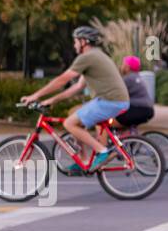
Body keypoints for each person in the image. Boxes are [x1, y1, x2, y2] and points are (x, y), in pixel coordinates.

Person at [21, 26, 129, 174]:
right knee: (76, 122)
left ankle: (103, 151)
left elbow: (62, 80)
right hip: (113, 100)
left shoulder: (87, 57)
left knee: (69, 123)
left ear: (83, 41)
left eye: (75, 41)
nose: (74, 45)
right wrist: (52, 100)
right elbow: (76, 87)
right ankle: (83, 161)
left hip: (109, 101)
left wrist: (35, 96)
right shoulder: (96, 56)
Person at [115, 55, 155, 130]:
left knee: (109, 122)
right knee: (123, 121)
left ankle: (116, 140)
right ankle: (129, 138)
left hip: (138, 109)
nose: (121, 66)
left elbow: (115, 93)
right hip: (147, 109)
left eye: (123, 64)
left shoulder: (128, 79)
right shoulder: (136, 77)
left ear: (127, 67)